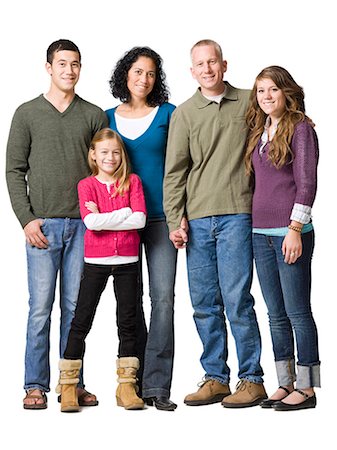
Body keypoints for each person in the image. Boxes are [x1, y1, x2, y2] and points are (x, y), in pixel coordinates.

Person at [164, 39, 267, 408]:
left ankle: (252, 379)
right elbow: (174, 172)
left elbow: (277, 119)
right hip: (198, 221)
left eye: (212, 62)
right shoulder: (185, 114)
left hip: (238, 213)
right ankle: (215, 378)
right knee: (204, 302)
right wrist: (176, 219)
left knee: (238, 299)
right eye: (200, 65)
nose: (207, 69)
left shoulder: (249, 102)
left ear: (224, 65)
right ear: (192, 71)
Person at [6, 39, 108, 409]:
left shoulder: (94, 114)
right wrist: (26, 219)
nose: (69, 70)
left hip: (85, 226)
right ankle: (35, 384)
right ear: (49, 67)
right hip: (43, 226)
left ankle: (72, 383)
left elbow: (105, 168)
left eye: (75, 64)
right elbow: (14, 170)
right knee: (40, 308)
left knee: (75, 307)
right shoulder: (27, 113)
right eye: (62, 63)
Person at [106, 47, 178, 411]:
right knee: (129, 300)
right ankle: (131, 380)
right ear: (125, 74)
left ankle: (158, 385)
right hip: (122, 221)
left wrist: (183, 213)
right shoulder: (106, 118)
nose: (143, 79)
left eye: (150, 73)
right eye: (137, 71)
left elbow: (185, 164)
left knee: (163, 299)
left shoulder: (169, 114)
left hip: (164, 218)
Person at [245, 66, 320, 411]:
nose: (267, 97)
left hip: (290, 234)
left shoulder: (300, 128)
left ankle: (306, 388)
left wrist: (294, 229)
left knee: (297, 311)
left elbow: (306, 183)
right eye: (261, 91)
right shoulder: (260, 130)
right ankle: (285, 382)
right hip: (260, 234)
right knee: (275, 313)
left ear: (286, 91)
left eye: (273, 89)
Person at [57, 128, 147, 412]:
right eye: (104, 152)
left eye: (116, 152)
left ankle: (126, 385)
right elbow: (91, 223)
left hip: (128, 261)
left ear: (122, 156)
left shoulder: (132, 181)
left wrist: (107, 217)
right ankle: (69, 385)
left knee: (128, 322)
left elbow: (140, 220)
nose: (111, 157)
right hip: (96, 261)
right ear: (93, 156)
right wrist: (123, 214)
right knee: (81, 319)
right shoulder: (86, 185)